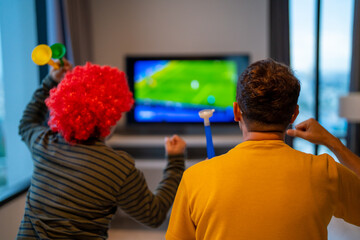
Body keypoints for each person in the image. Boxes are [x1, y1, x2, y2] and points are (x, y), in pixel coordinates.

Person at [165, 59, 360, 240]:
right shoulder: (327, 172)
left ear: (236, 111)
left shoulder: (194, 178)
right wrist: (334, 143)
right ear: (294, 114)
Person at [17, 60, 186, 239]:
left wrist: (50, 81)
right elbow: (154, 215)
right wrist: (175, 162)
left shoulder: (45, 143)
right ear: (110, 117)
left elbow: (27, 123)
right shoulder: (118, 168)